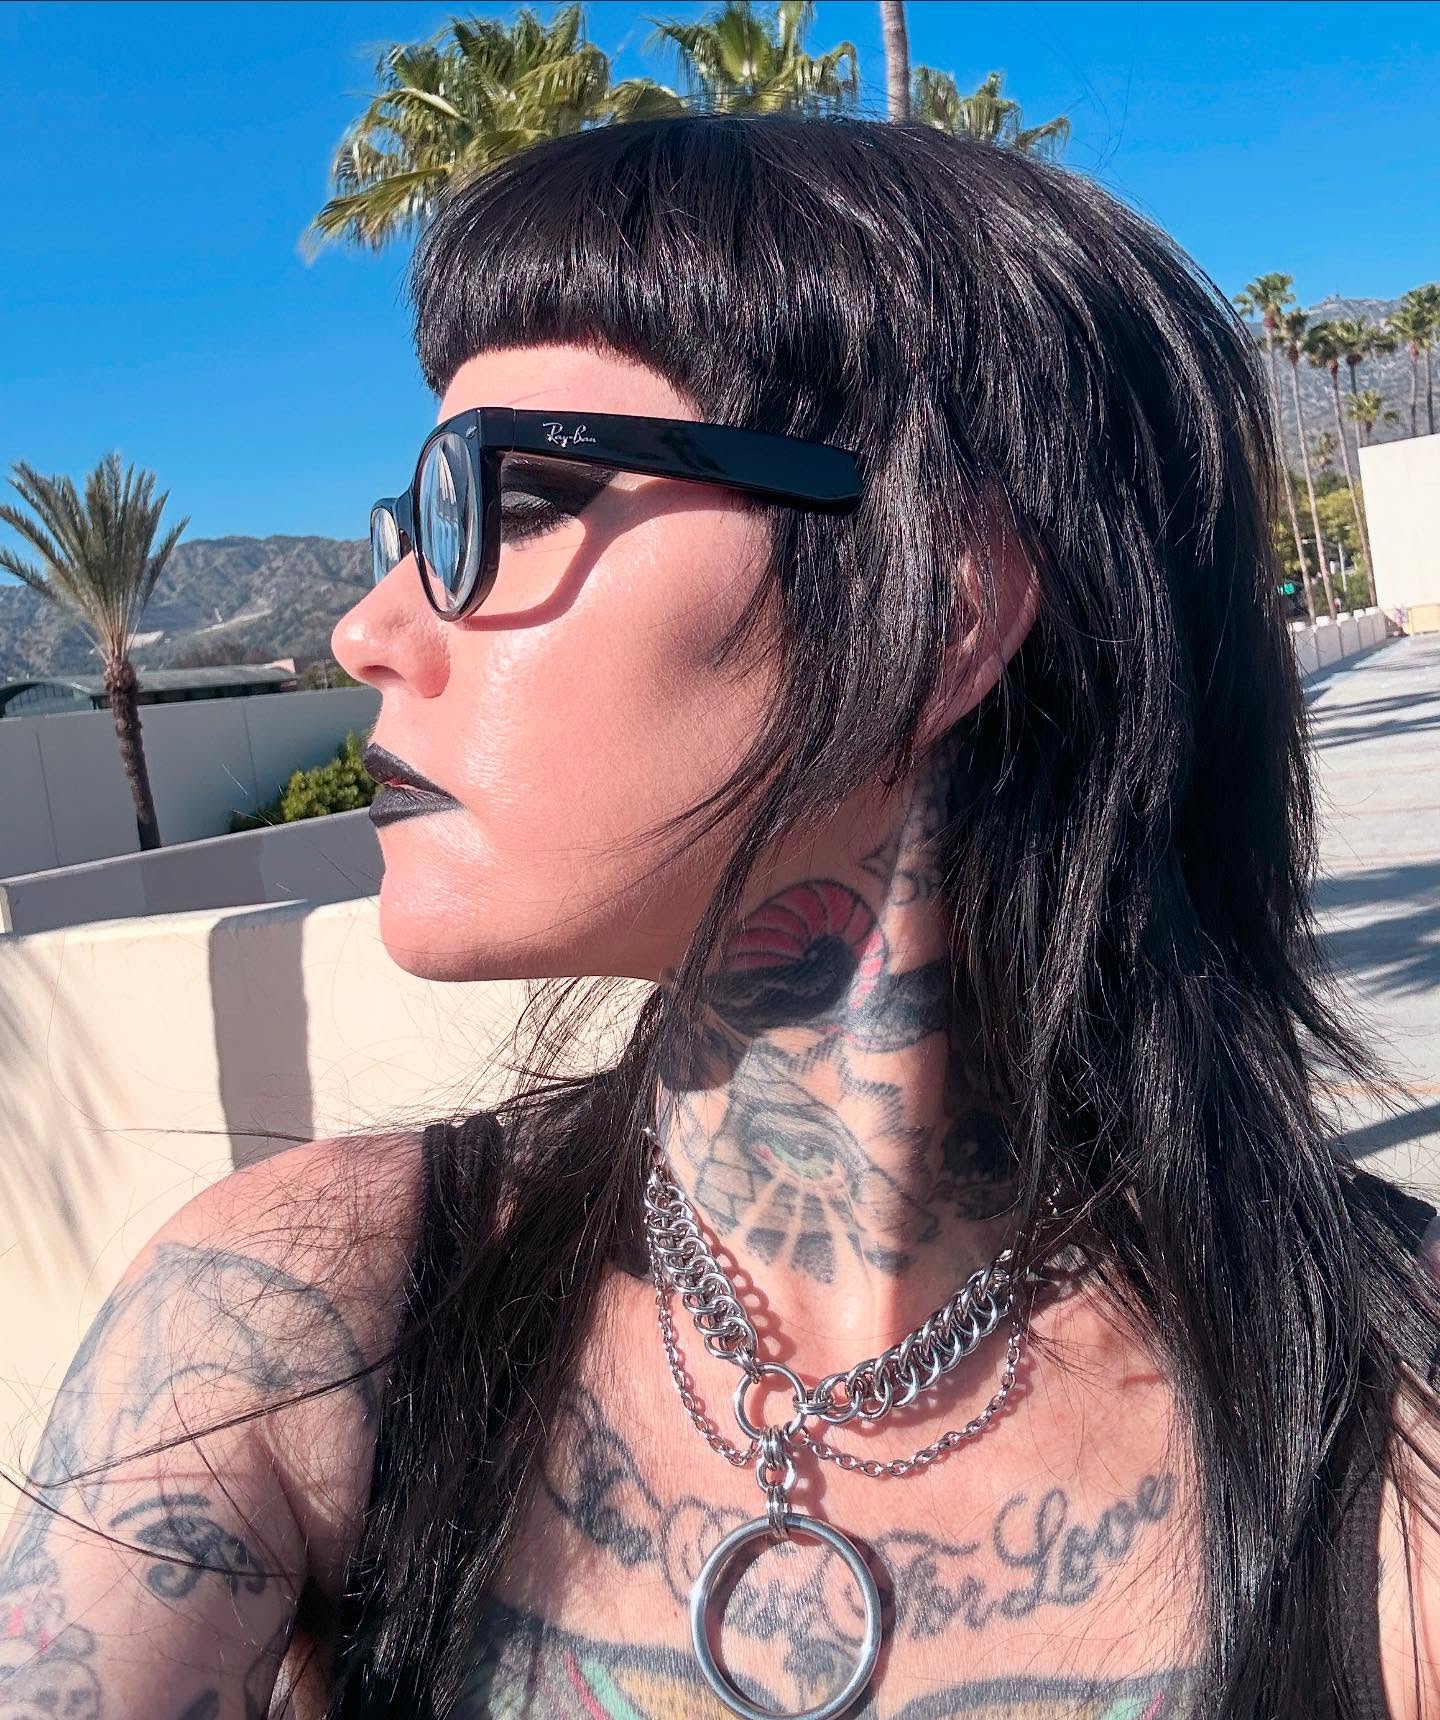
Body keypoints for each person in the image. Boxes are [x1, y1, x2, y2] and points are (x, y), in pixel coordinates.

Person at [2, 112, 1438, 1720]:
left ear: (940, 607)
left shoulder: (1386, 1431)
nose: (370, 628)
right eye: (410, 527)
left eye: (513, 502)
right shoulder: (296, 1324)